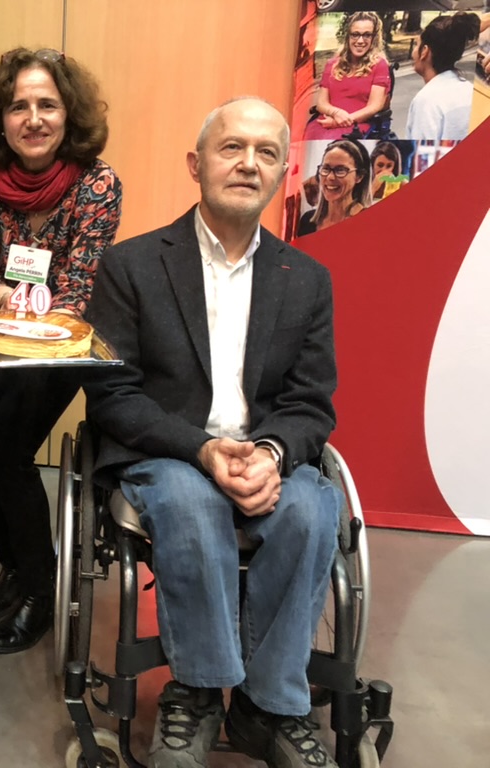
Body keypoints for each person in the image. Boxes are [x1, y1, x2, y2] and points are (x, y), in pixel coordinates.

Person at [84, 97, 343, 768]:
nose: (248, 163)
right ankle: (197, 692)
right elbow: (112, 392)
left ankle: (269, 707)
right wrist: (201, 449)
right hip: (168, 452)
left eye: (266, 152)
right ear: (196, 165)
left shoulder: (307, 280)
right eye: (232, 147)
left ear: (283, 173)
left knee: (313, 509)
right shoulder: (131, 265)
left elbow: (310, 401)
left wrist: (272, 453)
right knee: (190, 501)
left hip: (267, 454)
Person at [0, 48, 122, 654]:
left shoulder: (98, 185)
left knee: (4, 454)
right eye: (19, 106)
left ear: (68, 114)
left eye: (47, 104)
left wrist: (26, 309)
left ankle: (41, 590)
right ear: (0, 118)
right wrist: (8, 298)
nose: (33, 118)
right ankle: (16, 565)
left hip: (57, 347)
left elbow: (79, 286)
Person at [304, 11, 390, 141]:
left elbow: (375, 106)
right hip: (326, 121)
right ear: (348, 36)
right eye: (355, 35)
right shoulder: (332, 64)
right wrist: (336, 113)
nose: (360, 41)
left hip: (358, 124)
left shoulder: (380, 65)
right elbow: (321, 103)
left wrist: (339, 122)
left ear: (374, 38)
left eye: (367, 35)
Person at [406, 13, 482, 143]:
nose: (414, 52)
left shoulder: (426, 100)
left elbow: (423, 152)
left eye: (416, 45)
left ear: (424, 51)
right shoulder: (471, 90)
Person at [298, 138, 371, 236]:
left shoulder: (369, 225)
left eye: (340, 170)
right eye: (326, 168)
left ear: (359, 177)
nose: (330, 177)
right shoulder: (308, 221)